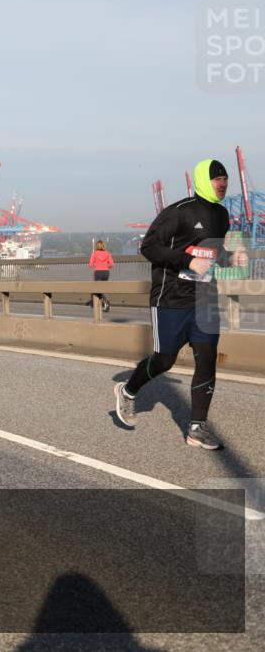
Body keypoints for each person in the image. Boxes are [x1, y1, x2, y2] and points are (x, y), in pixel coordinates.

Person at [113, 159, 248, 450]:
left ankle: (197, 427)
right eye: (217, 179)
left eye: (225, 179)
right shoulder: (179, 212)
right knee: (165, 359)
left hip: (205, 299)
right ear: (203, 180)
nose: (223, 184)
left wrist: (230, 259)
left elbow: (212, 253)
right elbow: (149, 246)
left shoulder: (222, 215)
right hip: (171, 297)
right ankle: (128, 390)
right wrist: (188, 261)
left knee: (207, 359)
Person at [88, 240, 114, 313]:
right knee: (101, 288)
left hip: (98, 272)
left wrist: (96, 265)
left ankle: (105, 303)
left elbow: (90, 264)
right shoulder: (108, 253)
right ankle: (101, 303)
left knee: (97, 289)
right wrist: (105, 266)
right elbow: (112, 264)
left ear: (97, 246)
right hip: (106, 273)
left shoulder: (95, 254)